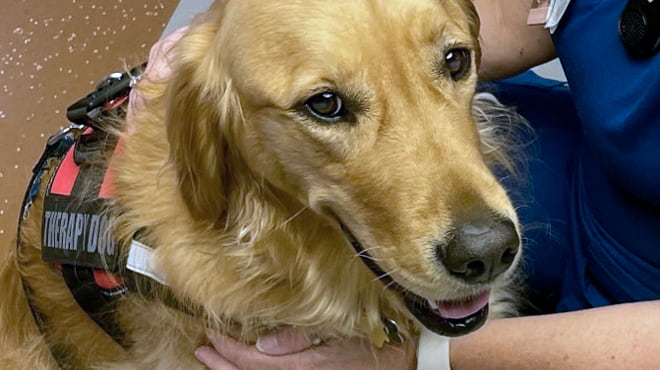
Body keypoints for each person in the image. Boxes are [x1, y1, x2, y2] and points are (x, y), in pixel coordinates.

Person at [138, 0, 660, 368]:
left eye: (455, 63)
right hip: (604, 161)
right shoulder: (213, 112)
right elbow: (514, 18)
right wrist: (250, 27)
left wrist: (423, 358)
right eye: (326, 105)